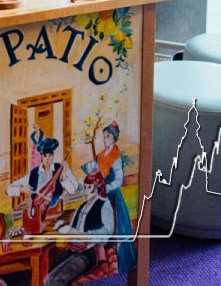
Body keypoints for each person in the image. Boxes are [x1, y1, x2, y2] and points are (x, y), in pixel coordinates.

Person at [46, 171, 115, 286]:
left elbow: (108, 231)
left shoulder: (104, 205)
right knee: (46, 273)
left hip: (89, 252)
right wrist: (63, 226)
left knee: (55, 281)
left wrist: (85, 235)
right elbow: (75, 228)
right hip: (73, 249)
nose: (85, 191)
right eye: (85, 187)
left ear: (97, 188)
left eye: (89, 188)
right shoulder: (82, 206)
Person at [84, 120, 136, 273]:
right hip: (101, 195)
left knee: (115, 227)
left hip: (112, 197)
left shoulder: (115, 156)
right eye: (104, 136)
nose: (105, 139)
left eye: (108, 136)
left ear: (114, 138)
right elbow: (96, 169)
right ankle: (101, 258)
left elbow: (118, 180)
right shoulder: (102, 154)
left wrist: (105, 188)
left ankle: (117, 261)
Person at [7, 131, 81, 232]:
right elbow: (8, 190)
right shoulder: (34, 173)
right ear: (41, 156)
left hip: (54, 212)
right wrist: (22, 189)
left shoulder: (60, 168)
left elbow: (73, 190)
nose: (47, 159)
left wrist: (63, 175)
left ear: (53, 156)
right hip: (36, 211)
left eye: (50, 156)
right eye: (45, 156)